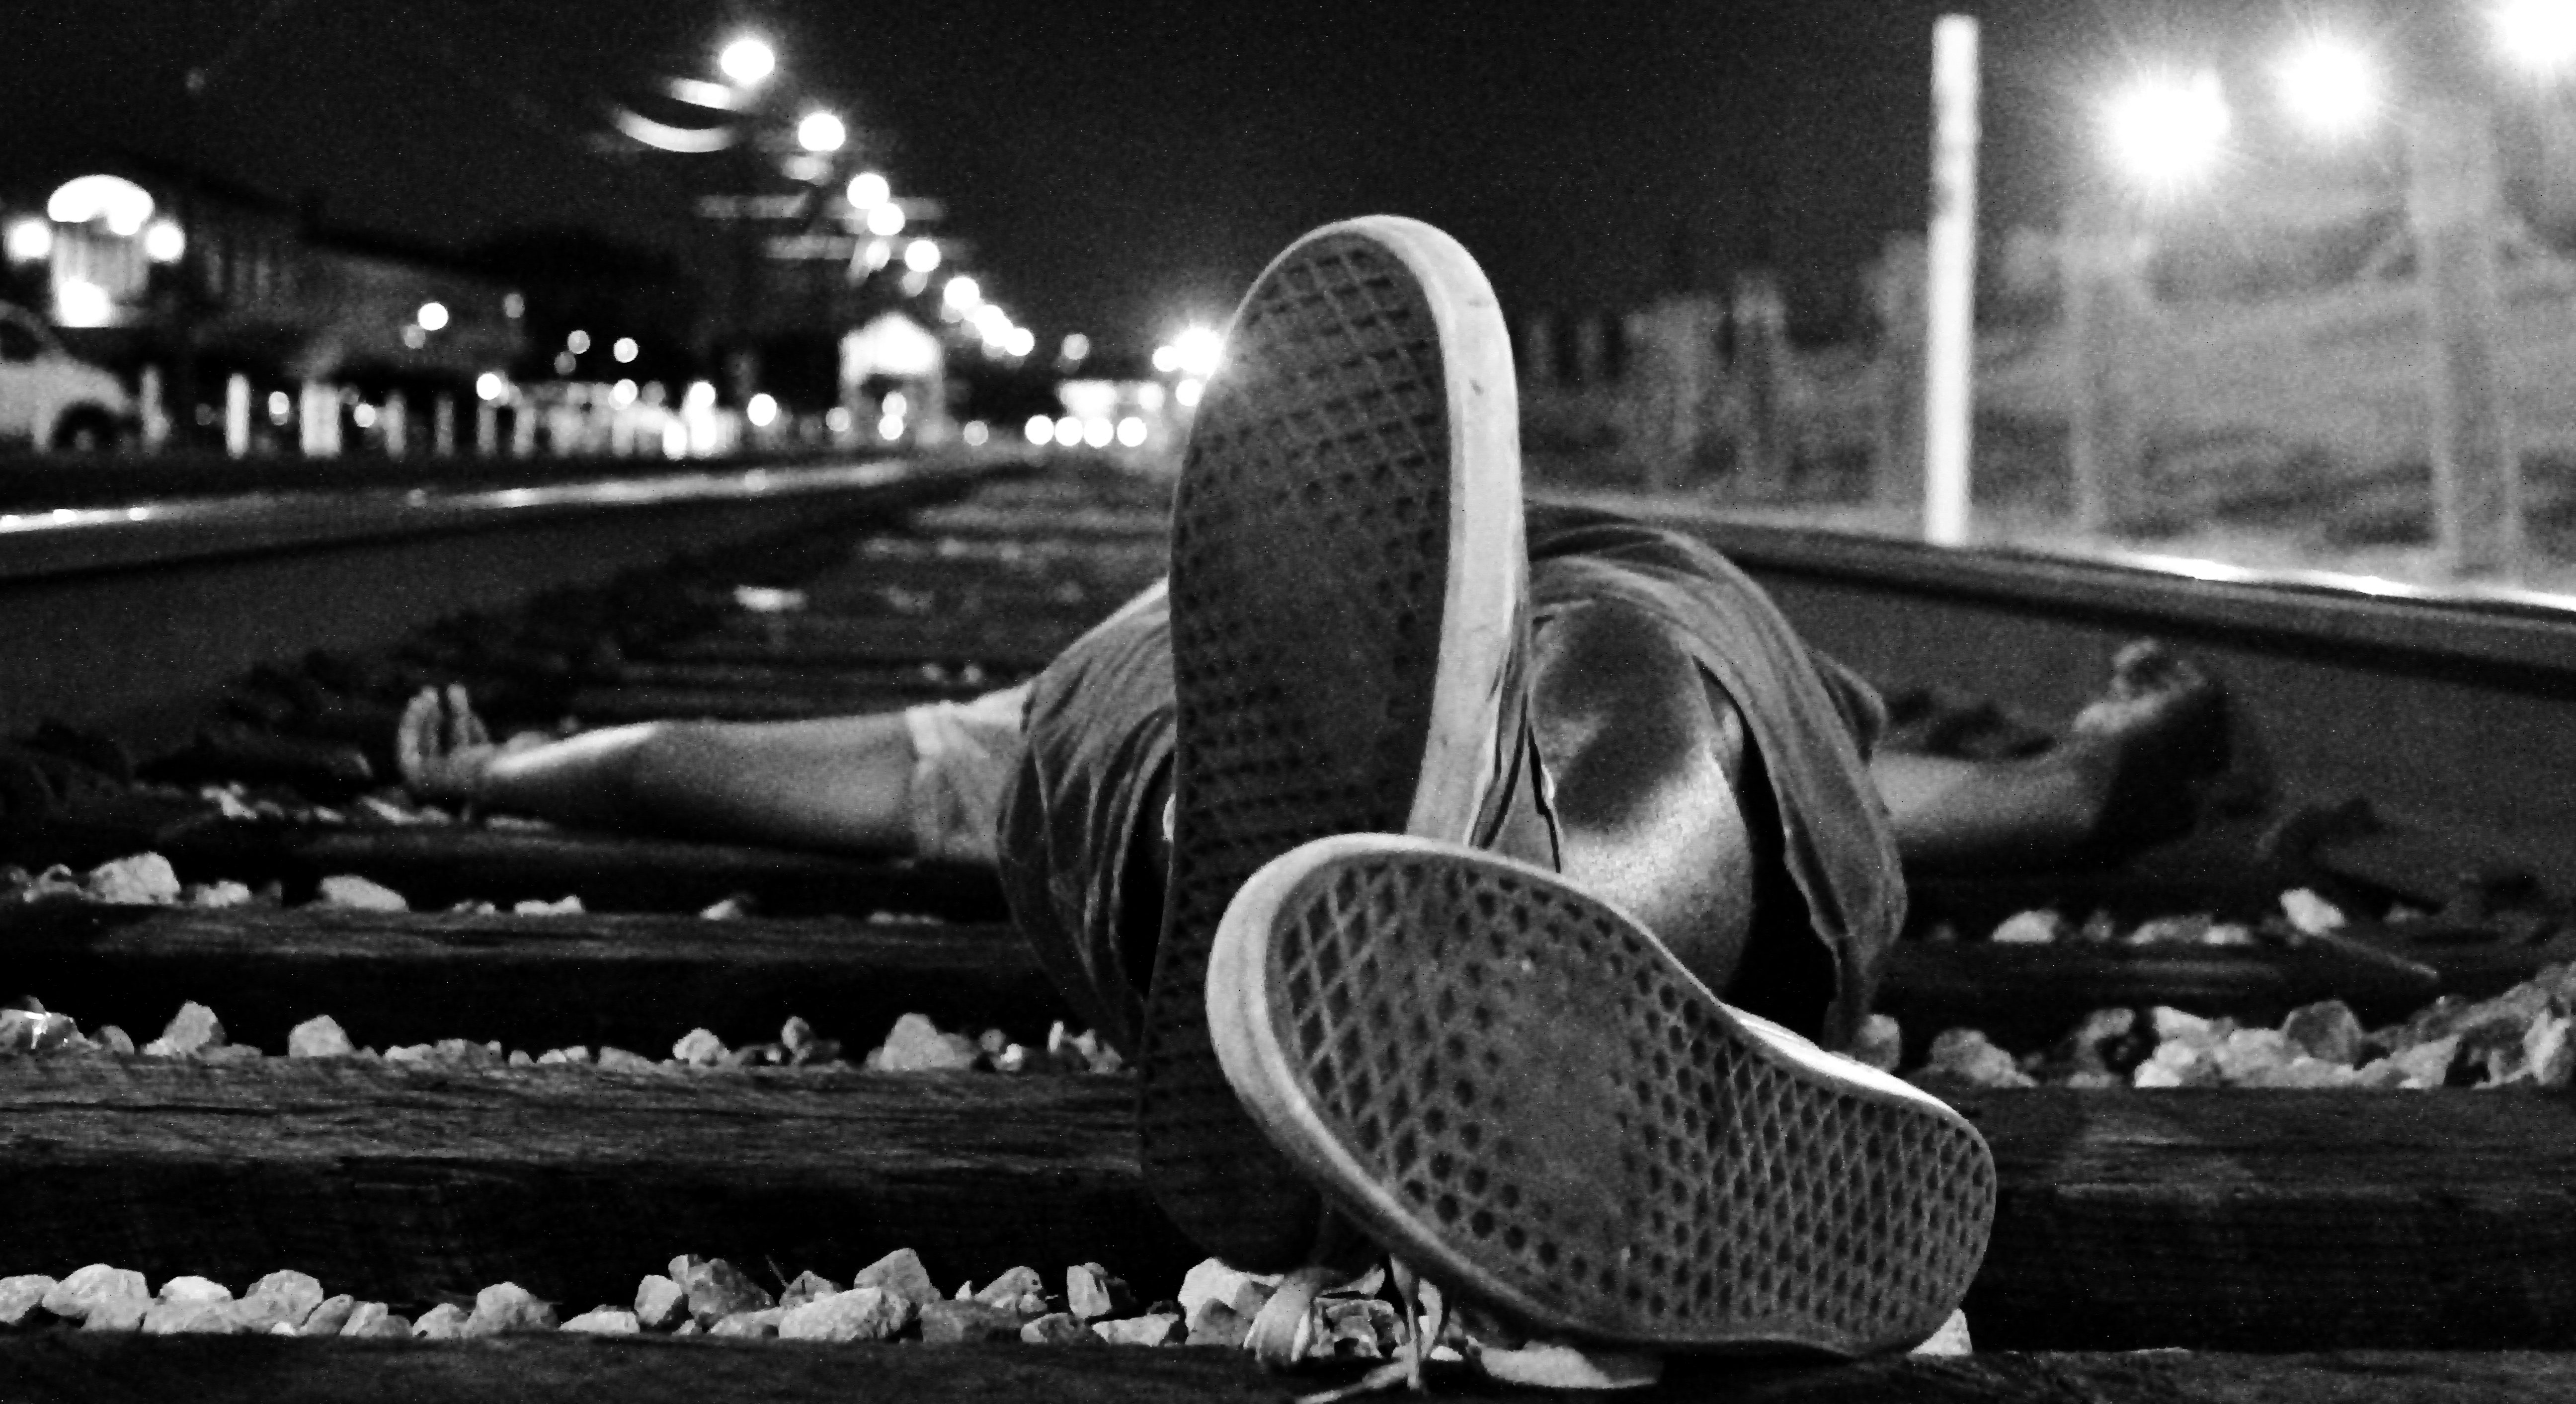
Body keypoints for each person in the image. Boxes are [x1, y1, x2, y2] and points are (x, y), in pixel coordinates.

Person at [400, 216, 2237, 1366]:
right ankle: (1535, 932)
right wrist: (2128, 746)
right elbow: (2031, 813)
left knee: (1084, 771)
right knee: (1664, 664)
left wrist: (508, 772)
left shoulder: (1106, 666)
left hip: (1133, 748)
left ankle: (1315, 931)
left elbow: (799, 777)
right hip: (1635, 716)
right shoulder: (1650, 612)